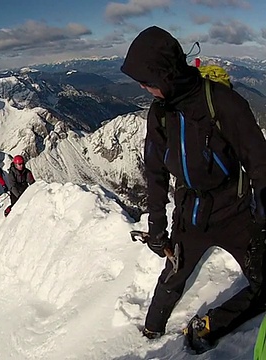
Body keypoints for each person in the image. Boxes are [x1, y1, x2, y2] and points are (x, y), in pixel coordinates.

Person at [120, 25, 266, 353]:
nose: (144, 88)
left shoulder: (221, 102)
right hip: (191, 214)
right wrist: (157, 225)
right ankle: (149, 331)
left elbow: (258, 158)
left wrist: (263, 202)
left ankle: (212, 324)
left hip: (236, 210)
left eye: (147, 81)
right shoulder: (160, 114)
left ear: (166, 74)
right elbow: (155, 172)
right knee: (173, 277)